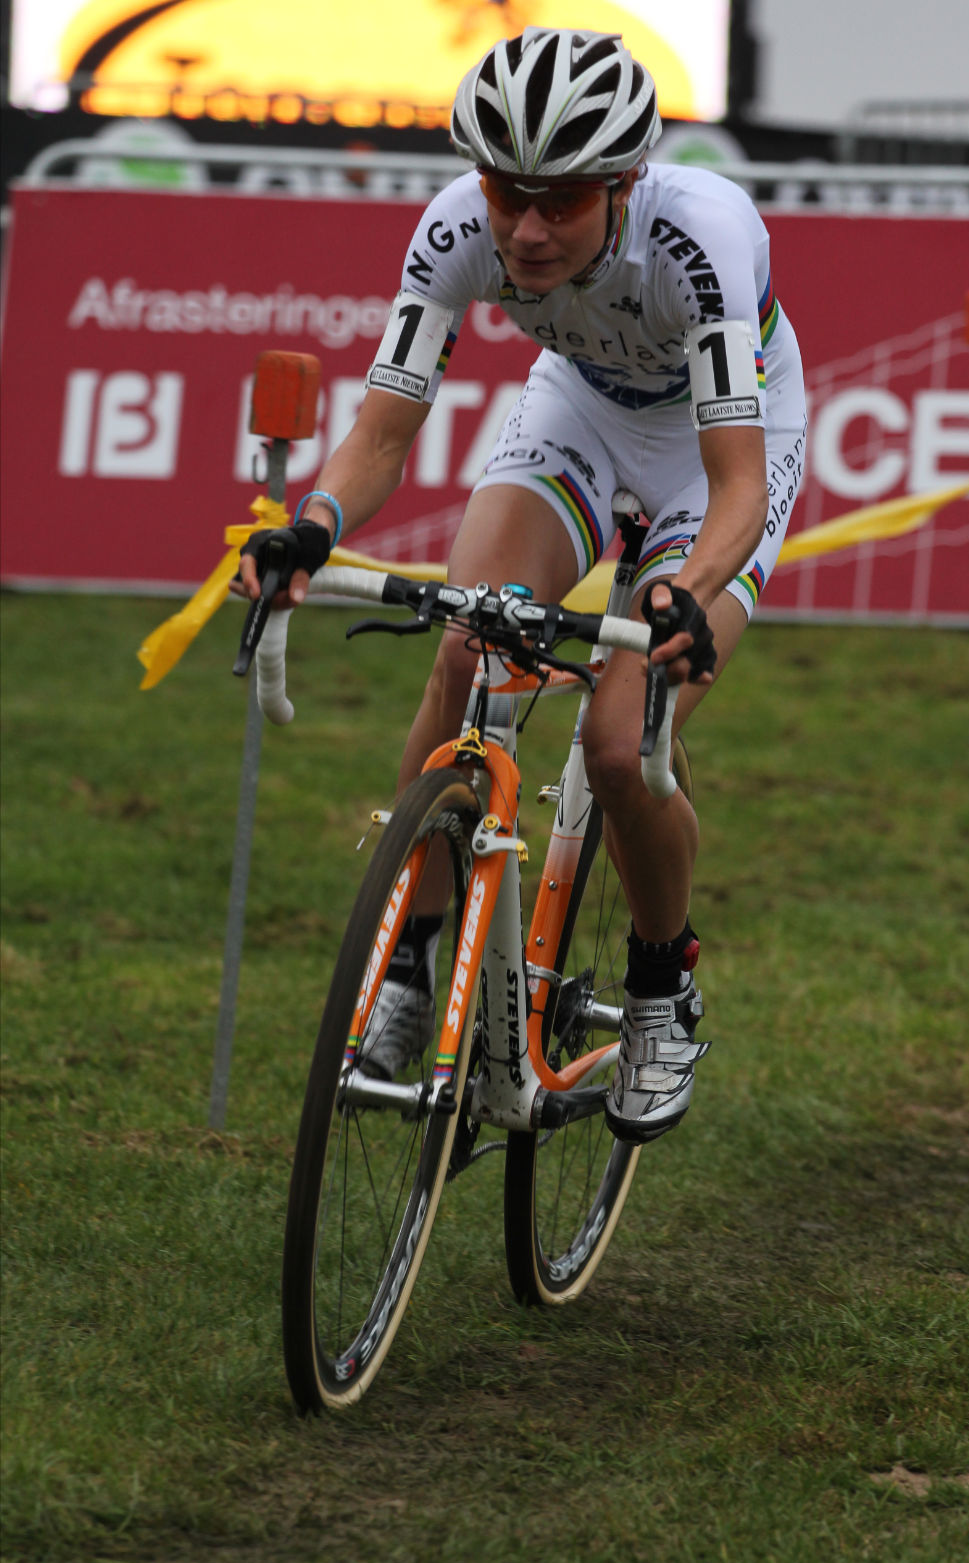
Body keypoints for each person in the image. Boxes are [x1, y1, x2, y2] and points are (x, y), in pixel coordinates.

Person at [236, 27, 807, 1144]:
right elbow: (381, 434)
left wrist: (683, 591)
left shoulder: (698, 239)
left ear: (622, 183)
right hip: (582, 410)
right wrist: (307, 528)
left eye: (558, 202)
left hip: (716, 447)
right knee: (465, 646)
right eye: (507, 196)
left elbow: (738, 483)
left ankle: (659, 989)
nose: (526, 230)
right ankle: (408, 961)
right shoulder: (456, 225)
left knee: (612, 736)